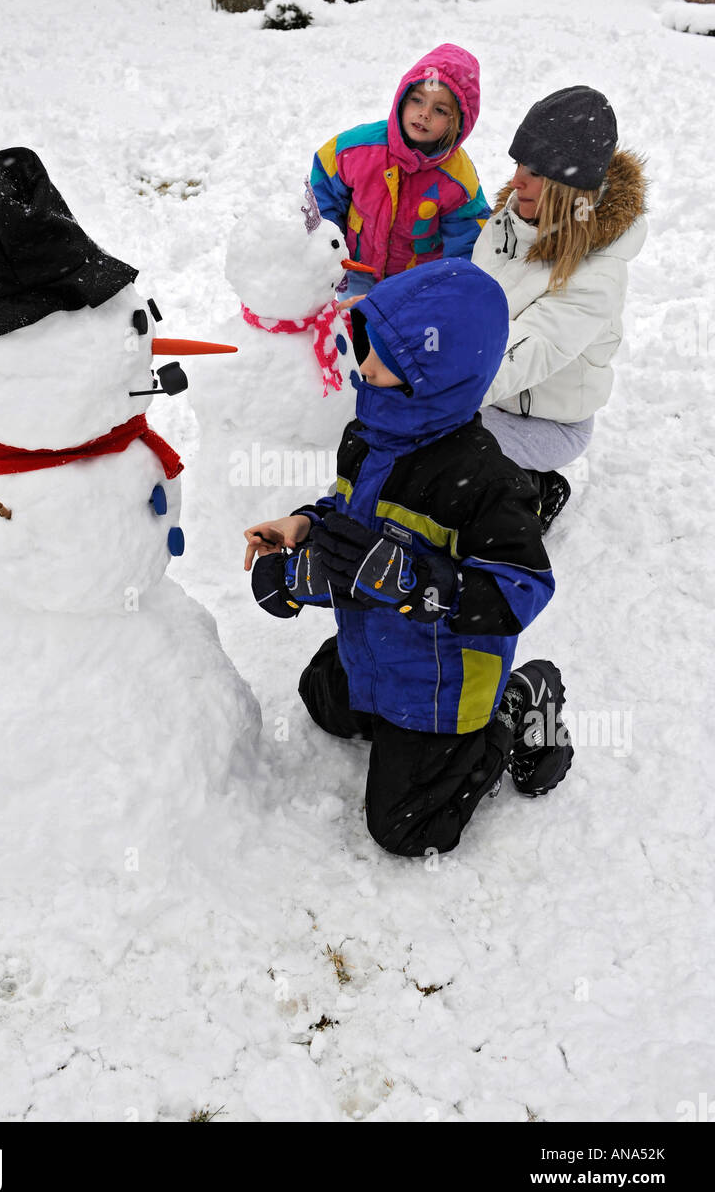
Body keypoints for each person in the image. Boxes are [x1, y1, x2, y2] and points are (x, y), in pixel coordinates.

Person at [244, 260, 573, 858]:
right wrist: (305, 531)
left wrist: (417, 585)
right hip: (379, 646)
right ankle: (381, 695)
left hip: (444, 680)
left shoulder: (486, 482)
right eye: (367, 350)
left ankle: (518, 702)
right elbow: (346, 515)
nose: (363, 369)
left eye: (387, 364)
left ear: (438, 376)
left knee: (406, 828)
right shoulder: (369, 436)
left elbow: (523, 589)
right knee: (322, 698)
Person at [472, 85, 647, 531]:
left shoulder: (597, 275)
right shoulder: (508, 225)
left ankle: (533, 491)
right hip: (489, 400)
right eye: (517, 164)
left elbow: (530, 348)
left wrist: (440, 391)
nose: (515, 181)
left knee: (435, 454)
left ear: (568, 184)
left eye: (533, 170)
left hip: (547, 424)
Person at [310, 44, 491, 291]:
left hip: (416, 285)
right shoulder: (356, 150)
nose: (424, 113)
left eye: (440, 110)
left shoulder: (457, 179)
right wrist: (331, 253)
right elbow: (324, 192)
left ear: (457, 122)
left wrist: (452, 289)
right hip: (358, 270)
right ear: (403, 99)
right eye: (417, 100)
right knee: (358, 327)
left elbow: (467, 242)